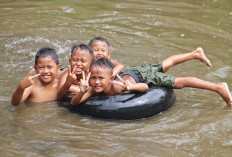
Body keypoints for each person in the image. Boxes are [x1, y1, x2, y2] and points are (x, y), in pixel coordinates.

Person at [119, 47, 232, 107]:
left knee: (179, 82)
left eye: (102, 50)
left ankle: (218, 87)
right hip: (135, 71)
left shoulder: (112, 81)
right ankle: (195, 54)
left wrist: (129, 86)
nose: (100, 53)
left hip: (143, 77)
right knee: (164, 65)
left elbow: (143, 86)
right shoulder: (105, 67)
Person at [71, 58, 148, 105]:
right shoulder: (92, 90)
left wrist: (131, 87)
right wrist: (82, 92)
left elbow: (145, 86)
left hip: (133, 76)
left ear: (111, 79)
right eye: (93, 78)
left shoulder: (117, 87)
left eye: (101, 78)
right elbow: (74, 103)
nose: (97, 82)